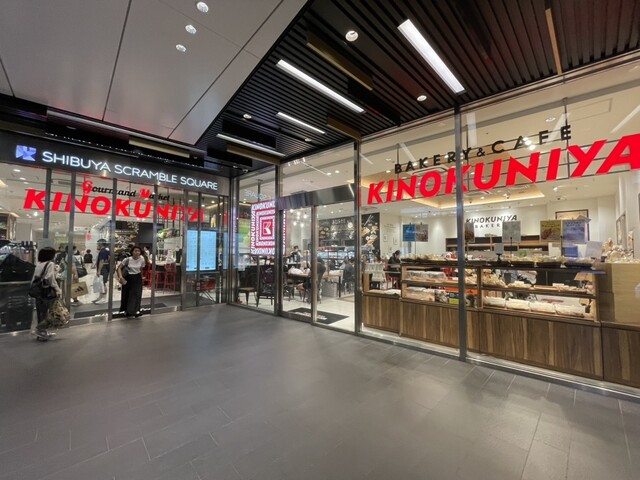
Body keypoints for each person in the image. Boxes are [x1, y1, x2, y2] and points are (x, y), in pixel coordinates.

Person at [32, 247, 62, 340]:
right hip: (47, 292)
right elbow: (50, 278)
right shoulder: (50, 264)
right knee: (52, 312)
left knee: (41, 312)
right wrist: (57, 289)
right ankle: (39, 329)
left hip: (39, 292)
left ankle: (42, 332)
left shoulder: (39, 265)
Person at [117, 245, 149, 317]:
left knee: (137, 294)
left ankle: (135, 310)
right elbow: (119, 268)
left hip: (137, 278)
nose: (137, 252)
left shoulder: (142, 259)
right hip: (128, 278)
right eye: (135, 251)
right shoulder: (127, 259)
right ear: (132, 252)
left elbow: (141, 269)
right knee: (127, 294)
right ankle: (127, 311)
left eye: (138, 251)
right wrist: (121, 277)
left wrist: (142, 278)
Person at [93, 239, 110, 304]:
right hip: (103, 269)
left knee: (103, 283)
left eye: (98, 244)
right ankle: (101, 297)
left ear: (100, 244)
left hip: (103, 269)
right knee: (101, 283)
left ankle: (103, 298)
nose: (97, 245)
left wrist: (99, 270)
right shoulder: (104, 251)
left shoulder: (103, 251)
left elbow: (102, 261)